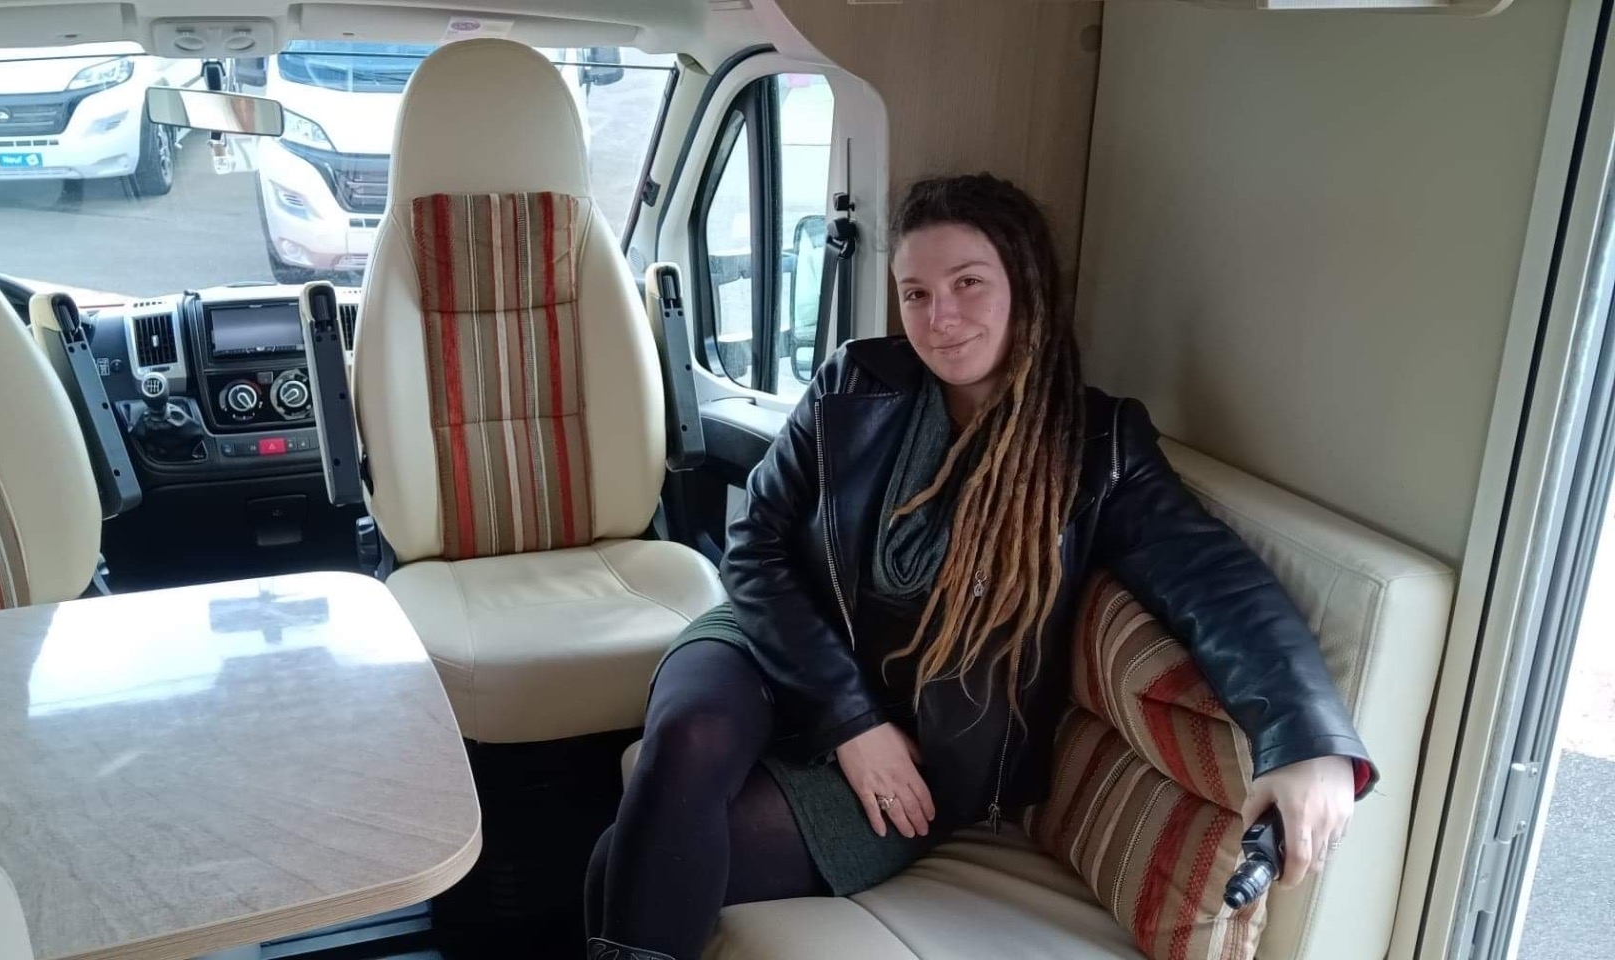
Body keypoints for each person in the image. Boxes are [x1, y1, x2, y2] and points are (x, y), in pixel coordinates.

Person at [582, 174, 1377, 960]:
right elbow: (755, 542)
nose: (941, 318)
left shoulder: (1097, 449)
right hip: (769, 643)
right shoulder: (854, 384)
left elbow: (1215, 582)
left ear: (1025, 286)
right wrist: (847, 718)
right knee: (688, 736)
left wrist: (1305, 738)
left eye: (968, 283)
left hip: (919, 742)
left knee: (618, 863)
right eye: (916, 294)